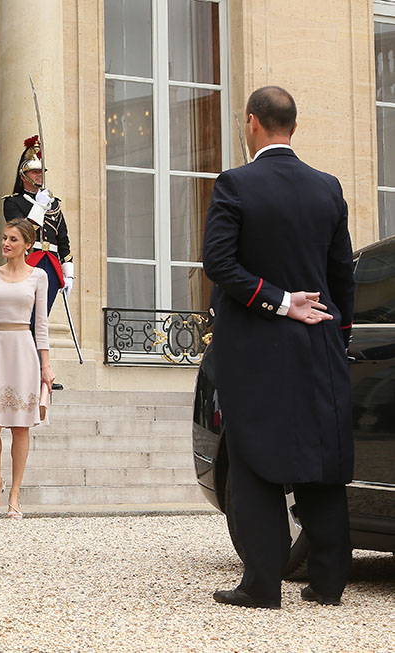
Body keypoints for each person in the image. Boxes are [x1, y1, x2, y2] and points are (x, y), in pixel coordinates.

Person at [203, 86, 356, 609]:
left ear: (251, 123)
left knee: (255, 461)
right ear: (293, 125)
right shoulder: (327, 187)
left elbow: (219, 265)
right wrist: (339, 332)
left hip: (255, 349)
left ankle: (263, 584)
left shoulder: (235, 184)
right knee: (321, 459)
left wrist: (280, 301)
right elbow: (343, 275)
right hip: (320, 341)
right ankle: (329, 582)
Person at [0, 218, 54, 519]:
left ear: (27, 244)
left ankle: (15, 492)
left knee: (20, 425)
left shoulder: (38, 276)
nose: (6, 243)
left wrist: (46, 366)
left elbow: (41, 325)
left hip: (23, 350)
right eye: (4, 237)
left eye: (13, 239)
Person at [3, 136, 74, 389]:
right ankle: (26, 372)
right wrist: (38, 208)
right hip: (28, 262)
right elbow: (21, 231)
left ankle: (39, 371)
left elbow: (63, 238)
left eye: (41, 171)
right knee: (27, 319)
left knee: (41, 319)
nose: (39, 175)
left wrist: (69, 271)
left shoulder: (54, 204)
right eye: (34, 171)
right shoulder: (13, 202)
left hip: (51, 265)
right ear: (24, 175)